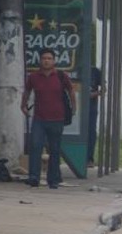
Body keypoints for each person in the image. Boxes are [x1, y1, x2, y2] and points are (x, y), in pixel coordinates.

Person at [21, 48, 75, 189]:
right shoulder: (33, 77)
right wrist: (23, 105)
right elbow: (27, 91)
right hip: (39, 118)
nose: (46, 61)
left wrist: (74, 107)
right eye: (44, 58)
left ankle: (53, 179)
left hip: (57, 118)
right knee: (35, 146)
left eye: (49, 58)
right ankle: (34, 177)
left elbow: (71, 91)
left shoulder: (61, 76)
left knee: (55, 149)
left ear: (54, 61)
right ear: (40, 60)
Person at [87, 65, 103, 168]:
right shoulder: (77, 69)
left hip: (91, 108)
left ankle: (89, 158)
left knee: (91, 132)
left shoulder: (95, 71)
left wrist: (95, 93)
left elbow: (104, 88)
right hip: (76, 107)